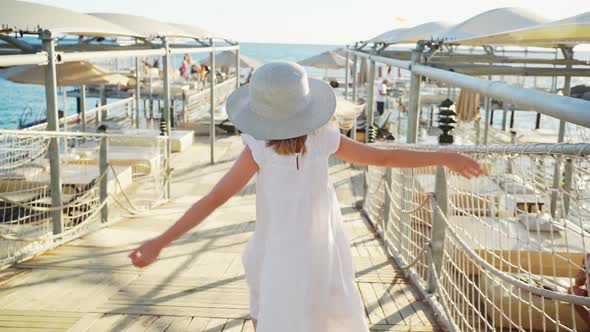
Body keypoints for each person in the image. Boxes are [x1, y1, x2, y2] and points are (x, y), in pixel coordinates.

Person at [129, 62, 483, 332]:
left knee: (273, 313)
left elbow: (214, 199)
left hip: (275, 249)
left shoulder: (258, 149)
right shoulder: (324, 138)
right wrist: (443, 155)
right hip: (320, 247)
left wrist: (161, 241)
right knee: (322, 313)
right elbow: (384, 157)